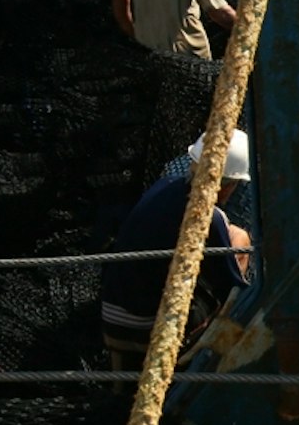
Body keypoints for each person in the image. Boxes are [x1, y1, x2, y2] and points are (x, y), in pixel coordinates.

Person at [100, 130, 254, 369]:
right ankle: (203, 353)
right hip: (149, 333)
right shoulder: (209, 217)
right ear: (230, 185)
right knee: (240, 240)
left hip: (112, 320)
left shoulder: (164, 185)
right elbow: (231, 287)